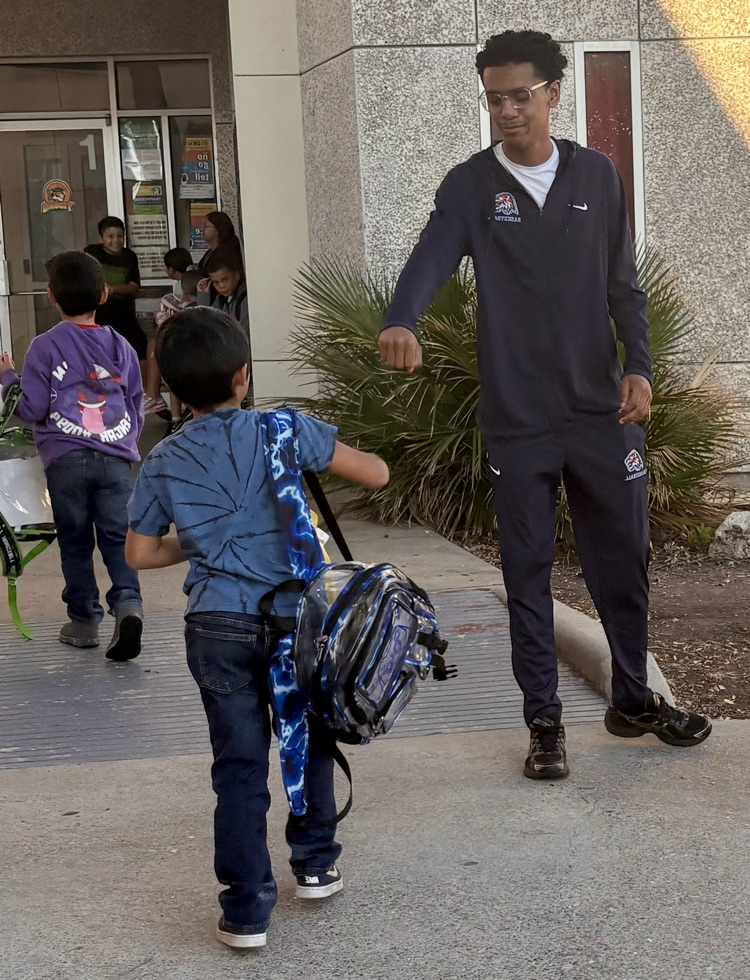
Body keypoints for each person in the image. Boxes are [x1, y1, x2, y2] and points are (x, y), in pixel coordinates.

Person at [378, 29, 711, 780]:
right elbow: (431, 255)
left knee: (622, 563)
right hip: (519, 422)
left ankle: (633, 700)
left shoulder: (598, 174)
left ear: (554, 93)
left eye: (519, 96)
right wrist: (402, 317)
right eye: (494, 98)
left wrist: (642, 370)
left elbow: (623, 284)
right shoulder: (470, 186)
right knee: (526, 573)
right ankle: (545, 723)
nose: (506, 111)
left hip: (600, 413)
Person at [126, 307, 388, 949]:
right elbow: (376, 473)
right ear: (244, 376)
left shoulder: (164, 457)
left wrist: (200, 544)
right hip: (294, 617)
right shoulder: (283, 429)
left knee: (238, 763)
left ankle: (246, 910)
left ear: (178, 393)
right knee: (311, 733)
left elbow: (138, 554)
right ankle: (316, 863)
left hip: (215, 624)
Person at [0, 251, 144, 660]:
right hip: (115, 459)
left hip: (65, 461)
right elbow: (135, 399)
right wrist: (126, 442)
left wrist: (7, 376)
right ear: (103, 294)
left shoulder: (44, 347)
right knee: (118, 538)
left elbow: (29, 409)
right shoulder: (121, 346)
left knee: (76, 542)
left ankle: (83, 622)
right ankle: (129, 605)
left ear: (51, 297)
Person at [85, 217, 148, 364]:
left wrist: (113, 289)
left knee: (140, 347)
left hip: (123, 312)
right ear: (101, 238)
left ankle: (142, 386)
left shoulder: (129, 257)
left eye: (120, 236)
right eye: (110, 237)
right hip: (98, 313)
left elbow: (134, 286)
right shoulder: (92, 253)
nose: (116, 241)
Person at [144, 251, 197, 417]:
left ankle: (156, 398)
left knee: (156, 348)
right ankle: (174, 415)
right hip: (187, 339)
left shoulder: (181, 286)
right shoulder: (195, 277)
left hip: (183, 341)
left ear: (171, 270)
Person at [197, 248, 249, 337]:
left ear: (236, 275)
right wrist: (203, 296)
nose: (221, 286)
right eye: (215, 282)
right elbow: (206, 324)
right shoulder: (221, 299)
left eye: (225, 280)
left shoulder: (245, 300)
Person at [197, 210, 243, 277]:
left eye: (206, 226)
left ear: (218, 229)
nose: (202, 229)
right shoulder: (209, 253)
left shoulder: (227, 253)